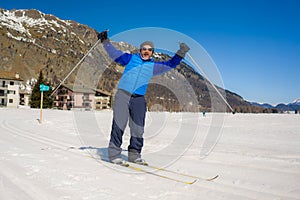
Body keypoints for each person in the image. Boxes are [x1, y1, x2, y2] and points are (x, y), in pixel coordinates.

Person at [98, 30, 190, 165]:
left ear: (152, 52)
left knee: (138, 127)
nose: (146, 51)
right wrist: (105, 41)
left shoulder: (153, 66)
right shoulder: (129, 58)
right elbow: (114, 53)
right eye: (144, 49)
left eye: (149, 50)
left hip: (139, 99)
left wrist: (181, 52)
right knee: (119, 124)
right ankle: (114, 154)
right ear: (140, 50)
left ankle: (134, 155)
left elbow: (171, 64)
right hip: (123, 95)